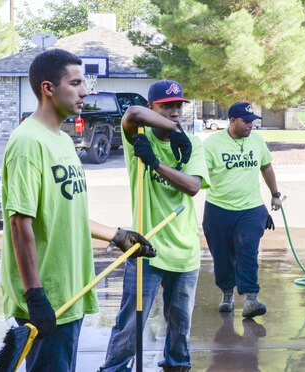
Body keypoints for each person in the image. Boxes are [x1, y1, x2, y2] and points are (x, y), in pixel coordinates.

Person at [0, 48, 155, 371]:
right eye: (76, 83)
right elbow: (19, 225)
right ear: (48, 88)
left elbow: (64, 215)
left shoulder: (63, 142)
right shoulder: (27, 142)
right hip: (47, 298)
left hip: (71, 290)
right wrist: (35, 296)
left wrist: (117, 235)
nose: (85, 91)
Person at [100, 80, 210, 372]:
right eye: (166, 106)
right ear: (153, 108)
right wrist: (152, 147)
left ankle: (177, 366)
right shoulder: (138, 136)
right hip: (145, 249)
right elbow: (132, 112)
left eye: (178, 106)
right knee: (130, 323)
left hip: (184, 250)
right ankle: (115, 368)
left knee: (179, 324)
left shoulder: (192, 144)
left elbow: (193, 187)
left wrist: (156, 163)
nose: (175, 112)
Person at [202, 101, 281, 318]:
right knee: (222, 255)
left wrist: (275, 194)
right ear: (232, 120)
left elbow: (266, 167)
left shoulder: (256, 140)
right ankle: (227, 295)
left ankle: (251, 299)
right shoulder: (212, 144)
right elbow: (199, 174)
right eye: (246, 121)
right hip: (219, 208)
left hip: (251, 208)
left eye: (252, 122)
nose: (250, 126)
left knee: (248, 253)